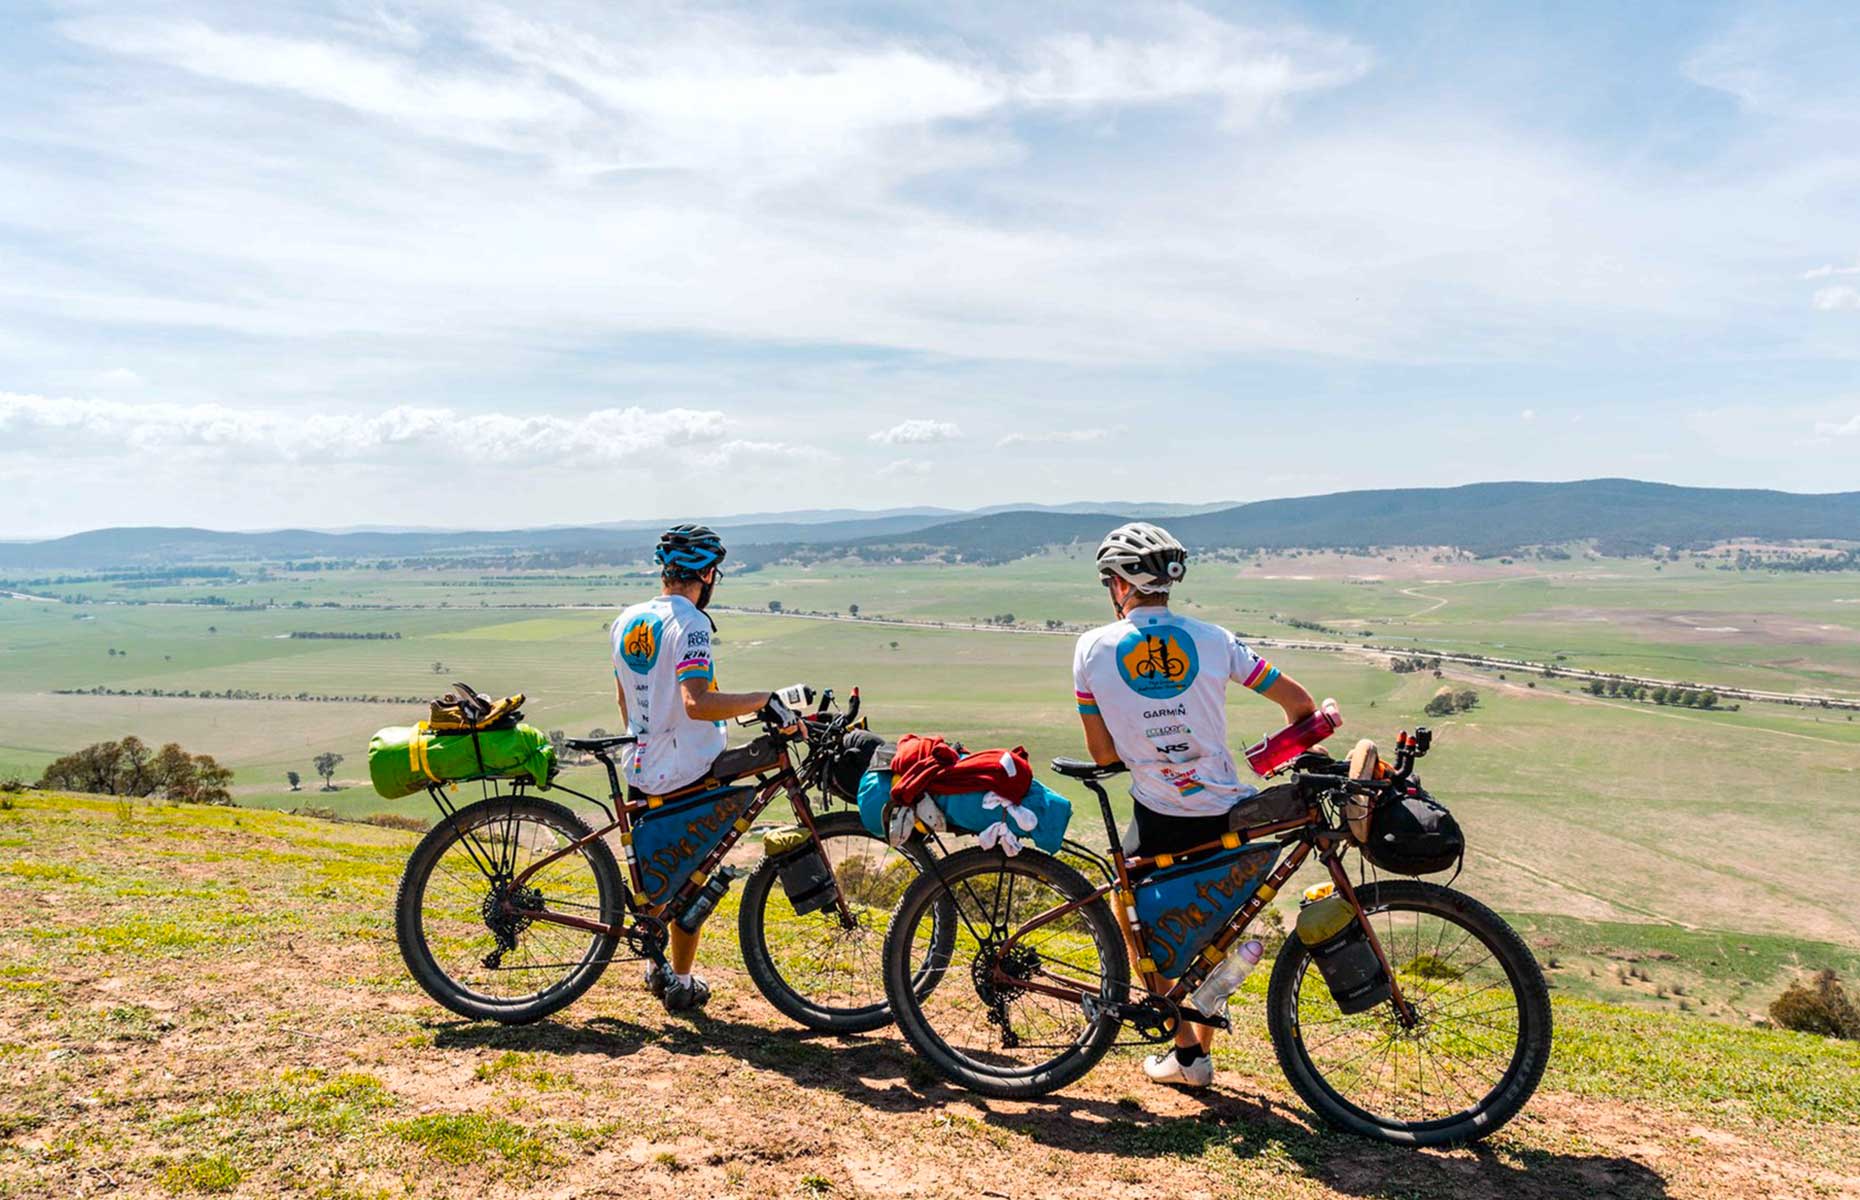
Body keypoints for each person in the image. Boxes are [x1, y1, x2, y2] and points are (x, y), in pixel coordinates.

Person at [1072, 522, 1319, 1088]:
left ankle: (1188, 1056)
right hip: (1227, 807)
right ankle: (1197, 1041)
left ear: (1119, 586)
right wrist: (1270, 757)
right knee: (1215, 927)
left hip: (1158, 812)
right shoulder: (1214, 639)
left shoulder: (1091, 648)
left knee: (1135, 922)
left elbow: (1102, 752)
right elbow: (1300, 706)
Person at [613, 523, 798, 1012]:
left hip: (639, 760)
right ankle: (679, 978)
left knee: (656, 867)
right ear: (708, 574)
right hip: (684, 765)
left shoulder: (628, 619)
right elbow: (698, 702)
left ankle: (654, 968)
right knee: (692, 873)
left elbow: (623, 701)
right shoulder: (690, 622)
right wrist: (766, 700)